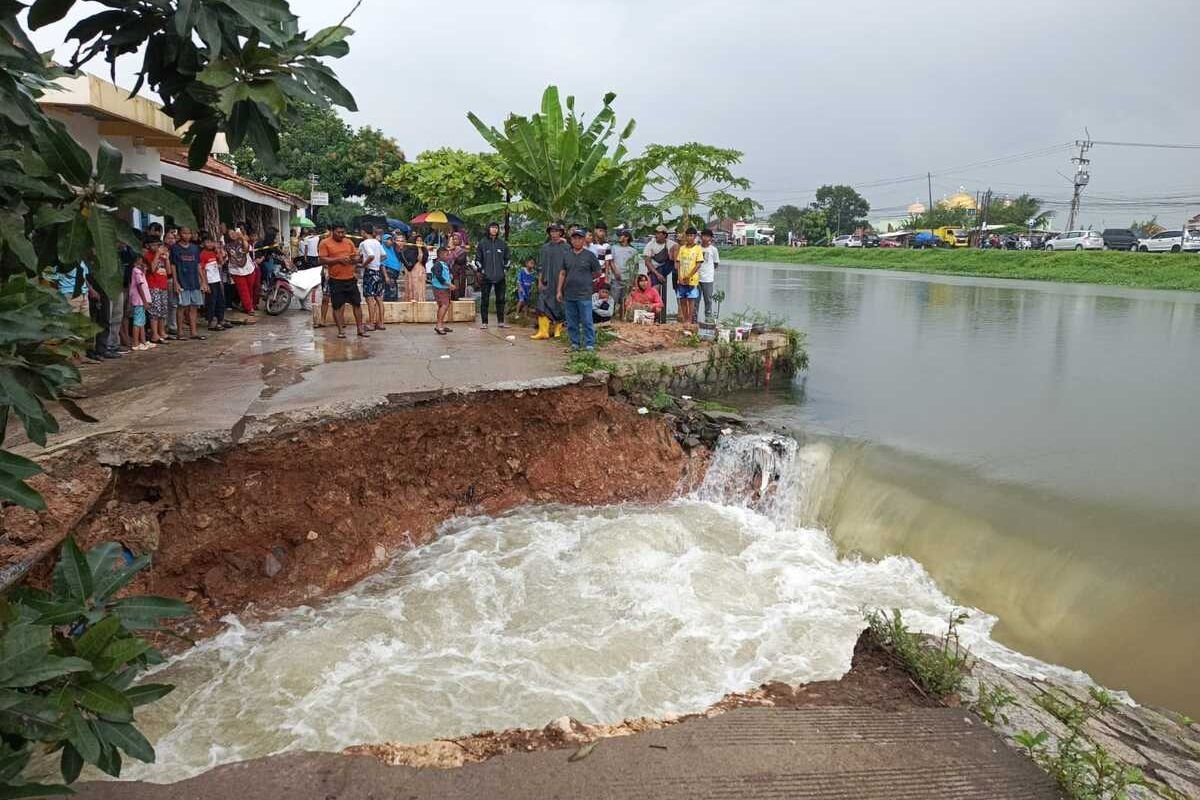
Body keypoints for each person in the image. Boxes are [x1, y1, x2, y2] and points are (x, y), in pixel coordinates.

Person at [319, 223, 367, 338]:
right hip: (335, 279)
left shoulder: (349, 242)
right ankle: (341, 330)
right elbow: (322, 260)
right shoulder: (325, 243)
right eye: (339, 232)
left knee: (357, 304)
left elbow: (355, 257)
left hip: (350, 278)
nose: (341, 235)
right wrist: (338, 259)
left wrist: (355, 259)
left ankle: (360, 328)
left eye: (343, 232)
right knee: (337, 306)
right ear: (332, 231)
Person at [557, 228, 602, 351]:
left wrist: (586, 278)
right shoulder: (567, 256)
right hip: (569, 294)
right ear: (571, 240)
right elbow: (562, 273)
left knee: (587, 320)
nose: (577, 241)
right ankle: (575, 343)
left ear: (583, 240)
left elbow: (598, 272)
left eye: (579, 238)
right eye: (574, 238)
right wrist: (559, 291)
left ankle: (589, 344)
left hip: (584, 294)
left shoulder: (590, 256)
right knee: (572, 321)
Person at [533, 222, 569, 340]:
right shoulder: (545, 248)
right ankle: (543, 331)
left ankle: (558, 330)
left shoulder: (566, 248)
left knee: (559, 305)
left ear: (561, 233)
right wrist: (539, 281)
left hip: (560, 281)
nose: (554, 234)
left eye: (556, 231)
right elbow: (540, 266)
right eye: (552, 231)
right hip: (546, 280)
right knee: (542, 304)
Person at [170, 226, 205, 340]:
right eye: (184, 233)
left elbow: (198, 265)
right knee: (182, 307)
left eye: (189, 233)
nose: (186, 235)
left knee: (194, 307)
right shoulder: (175, 248)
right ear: (180, 234)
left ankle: (193, 332)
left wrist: (203, 281)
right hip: (182, 281)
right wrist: (176, 282)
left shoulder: (195, 248)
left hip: (194, 281)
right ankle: (180, 332)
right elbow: (173, 266)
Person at [475, 221, 510, 329]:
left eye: (496, 228)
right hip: (486, 277)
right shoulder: (482, 243)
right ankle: (484, 323)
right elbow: (477, 260)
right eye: (492, 227)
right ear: (488, 229)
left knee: (501, 299)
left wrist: (505, 269)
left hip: (500, 277)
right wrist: (482, 270)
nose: (494, 229)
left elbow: (508, 259)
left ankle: (501, 322)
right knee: (485, 300)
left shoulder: (502, 244)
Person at [643, 224, 677, 323]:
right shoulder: (650, 245)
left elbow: (677, 247)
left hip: (666, 267)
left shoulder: (670, 243)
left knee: (676, 247)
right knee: (655, 292)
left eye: (659, 233)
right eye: (656, 233)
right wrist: (657, 274)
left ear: (665, 235)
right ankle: (655, 316)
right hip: (654, 270)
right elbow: (647, 262)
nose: (657, 235)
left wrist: (673, 256)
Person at [357, 225, 388, 331]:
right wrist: (377, 262)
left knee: (369, 299)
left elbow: (370, 256)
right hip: (378, 272)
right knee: (379, 298)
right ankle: (381, 323)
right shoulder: (377, 242)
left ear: (363, 232)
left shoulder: (364, 243)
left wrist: (363, 264)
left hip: (370, 272)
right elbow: (384, 256)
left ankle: (371, 323)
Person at [674, 227, 704, 328]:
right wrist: (679, 276)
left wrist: (689, 276)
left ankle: (689, 320)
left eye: (691, 236)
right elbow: (678, 263)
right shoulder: (682, 248)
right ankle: (685, 319)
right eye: (688, 235)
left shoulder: (698, 249)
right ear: (685, 237)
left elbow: (698, 264)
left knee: (691, 300)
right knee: (682, 299)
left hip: (692, 279)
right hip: (681, 278)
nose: (689, 237)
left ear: (695, 237)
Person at [226, 228, 256, 317]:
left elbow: (247, 249)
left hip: (248, 268)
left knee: (250, 288)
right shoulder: (227, 246)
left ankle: (246, 305)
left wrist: (242, 238)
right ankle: (249, 308)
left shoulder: (242, 241)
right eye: (230, 234)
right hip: (236, 270)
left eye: (234, 233)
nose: (233, 235)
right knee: (243, 290)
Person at [200, 232, 226, 332]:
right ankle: (211, 321)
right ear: (203, 243)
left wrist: (218, 252)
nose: (210, 244)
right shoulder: (203, 254)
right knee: (211, 301)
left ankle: (221, 319)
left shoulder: (214, 252)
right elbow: (201, 269)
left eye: (211, 242)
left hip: (217, 279)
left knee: (220, 300)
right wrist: (205, 283)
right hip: (209, 281)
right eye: (207, 242)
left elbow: (221, 262)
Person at [146, 243, 170, 345]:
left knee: (163, 310)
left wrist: (167, 259)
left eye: (159, 245)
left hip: (163, 285)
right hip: (153, 285)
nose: (157, 248)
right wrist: (157, 255)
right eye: (154, 245)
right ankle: (154, 334)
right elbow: (152, 268)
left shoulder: (162, 257)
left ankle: (162, 332)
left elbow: (168, 272)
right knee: (155, 311)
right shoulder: (148, 255)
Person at [610, 229, 638, 313]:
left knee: (625, 300)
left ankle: (622, 317)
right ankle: (612, 316)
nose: (619, 237)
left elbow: (636, 266)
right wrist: (615, 272)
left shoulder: (633, 251)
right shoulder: (614, 248)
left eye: (621, 236)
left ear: (626, 237)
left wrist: (634, 280)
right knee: (614, 299)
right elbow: (611, 261)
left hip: (627, 279)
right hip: (616, 278)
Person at [129, 256, 153, 350]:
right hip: (139, 300)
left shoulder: (140, 271)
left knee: (142, 322)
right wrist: (144, 301)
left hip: (142, 300)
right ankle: (135, 343)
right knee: (137, 322)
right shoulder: (136, 271)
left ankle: (142, 341)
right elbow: (139, 287)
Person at [430, 246, 454, 335]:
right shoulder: (438, 264)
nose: (448, 256)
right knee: (444, 305)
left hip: (444, 288)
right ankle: (439, 325)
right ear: (441, 255)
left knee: (443, 306)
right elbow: (438, 276)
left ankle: (441, 324)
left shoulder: (444, 264)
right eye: (447, 255)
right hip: (440, 288)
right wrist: (448, 284)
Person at [698, 228, 721, 323]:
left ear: (710, 238)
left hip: (708, 279)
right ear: (701, 237)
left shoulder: (713, 250)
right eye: (704, 236)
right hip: (696, 278)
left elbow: (716, 264)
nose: (705, 238)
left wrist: (708, 271)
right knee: (695, 300)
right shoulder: (697, 248)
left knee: (708, 300)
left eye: (707, 236)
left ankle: (708, 321)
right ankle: (694, 321)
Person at [589, 223, 613, 294]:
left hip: (601, 274)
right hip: (589, 274)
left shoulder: (606, 245)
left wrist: (606, 277)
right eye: (600, 230)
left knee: (600, 295)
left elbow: (607, 261)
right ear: (595, 230)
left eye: (604, 231)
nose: (602, 233)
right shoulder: (589, 244)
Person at [402, 235, 426, 302]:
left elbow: (421, 259)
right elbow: (409, 262)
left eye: (421, 241)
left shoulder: (424, 250)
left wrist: (419, 249)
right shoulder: (410, 250)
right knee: (412, 287)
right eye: (417, 240)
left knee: (419, 289)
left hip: (420, 272)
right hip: (411, 271)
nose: (419, 242)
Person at [380, 232, 403, 301]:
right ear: (384, 241)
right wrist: (386, 276)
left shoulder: (393, 249)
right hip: (388, 273)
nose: (391, 241)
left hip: (394, 275)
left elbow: (399, 247)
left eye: (391, 240)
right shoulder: (382, 250)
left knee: (393, 292)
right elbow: (382, 264)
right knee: (390, 292)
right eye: (389, 240)